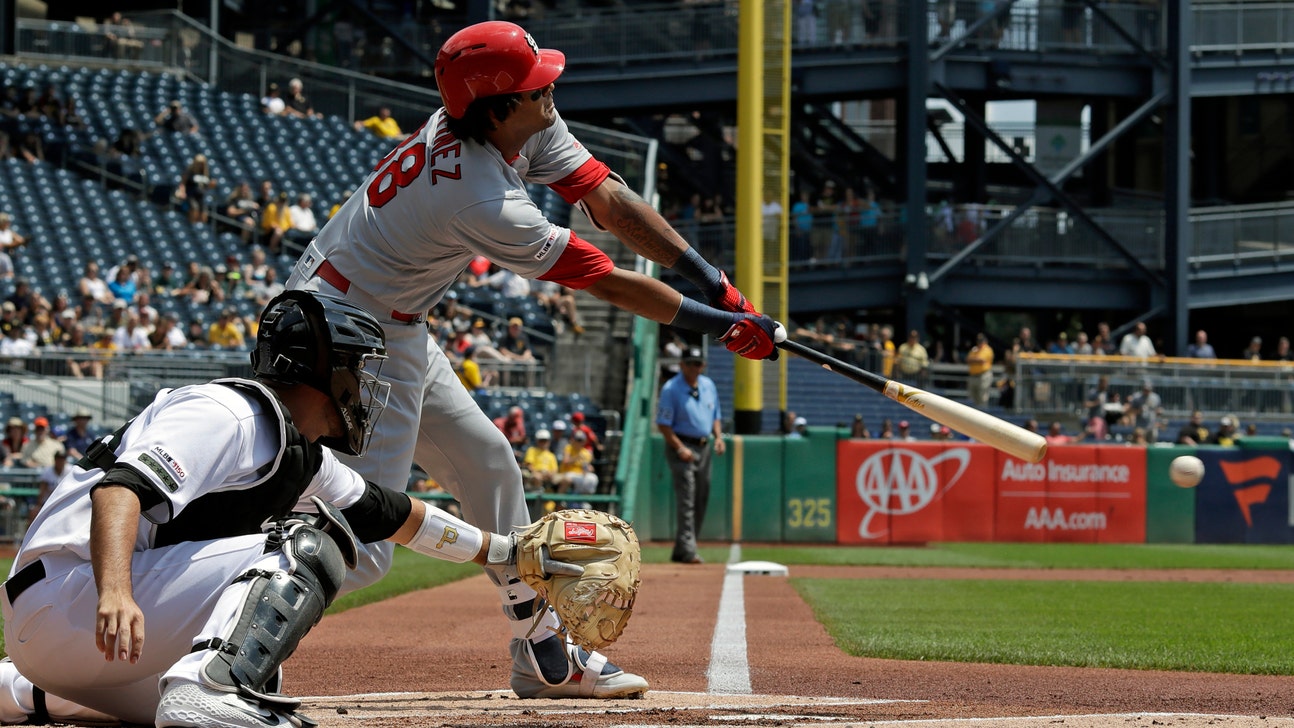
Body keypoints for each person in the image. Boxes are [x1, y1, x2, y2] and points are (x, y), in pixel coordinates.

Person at [283, 20, 781, 700]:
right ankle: (213, 634)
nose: (550, 87)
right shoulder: (480, 194)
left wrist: (713, 281)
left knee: (488, 464)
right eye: (534, 84)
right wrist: (723, 327)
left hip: (385, 321)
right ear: (498, 106)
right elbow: (602, 277)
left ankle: (544, 651)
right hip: (348, 331)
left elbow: (610, 201)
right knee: (360, 546)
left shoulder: (517, 124)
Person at [0, 291, 575, 727]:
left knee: (254, 661)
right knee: (303, 545)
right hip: (77, 594)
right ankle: (212, 690)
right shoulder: (230, 412)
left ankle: (19, 691)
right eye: (359, 367)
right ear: (320, 370)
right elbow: (119, 489)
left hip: (57, 646)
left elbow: (391, 514)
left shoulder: (293, 450)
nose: (366, 386)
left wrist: (503, 553)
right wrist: (115, 591)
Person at [655, 347, 723, 565]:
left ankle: (682, 548)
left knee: (700, 497)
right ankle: (688, 549)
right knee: (687, 498)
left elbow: (715, 415)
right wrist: (679, 448)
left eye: (699, 363)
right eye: (691, 363)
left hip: (704, 447)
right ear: (682, 365)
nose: (695, 368)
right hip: (681, 445)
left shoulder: (708, 385)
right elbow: (663, 424)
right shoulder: (671, 388)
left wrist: (719, 437)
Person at [966, 332, 994, 408]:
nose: (980, 342)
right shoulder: (974, 349)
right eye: (978, 340)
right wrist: (976, 360)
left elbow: (982, 360)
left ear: (985, 341)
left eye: (981, 340)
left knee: (982, 399)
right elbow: (968, 360)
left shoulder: (987, 349)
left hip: (983, 376)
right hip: (973, 376)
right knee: (971, 400)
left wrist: (974, 360)